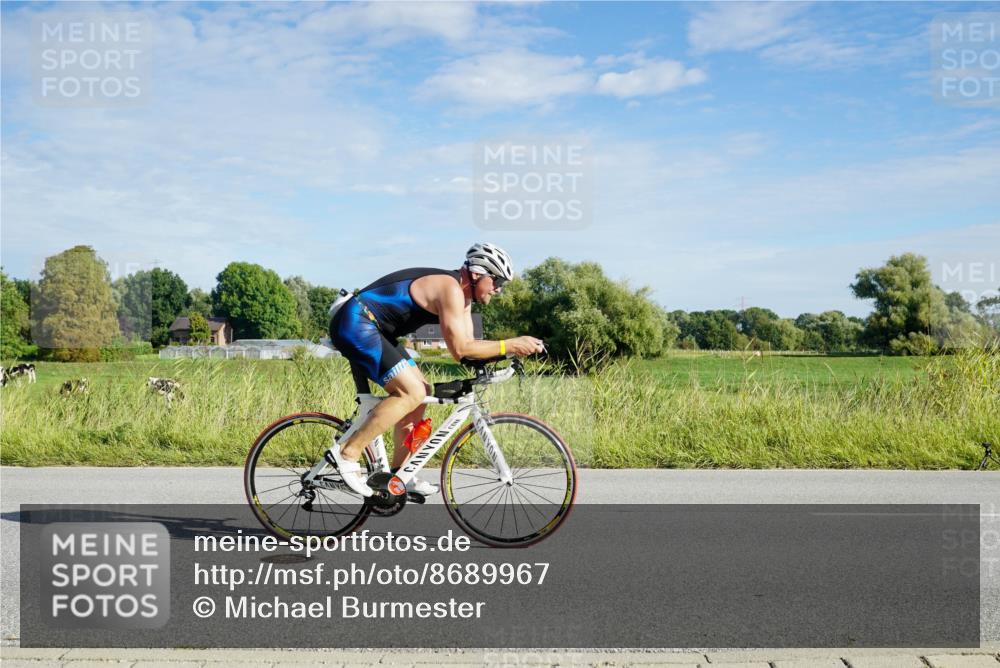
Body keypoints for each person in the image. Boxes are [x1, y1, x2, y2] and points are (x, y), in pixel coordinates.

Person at [328, 243, 545, 498]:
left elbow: (470, 350)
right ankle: (347, 453)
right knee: (411, 392)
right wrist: (510, 343)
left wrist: (507, 353)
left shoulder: (463, 299)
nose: (498, 289)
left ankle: (400, 475)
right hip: (357, 323)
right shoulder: (450, 289)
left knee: (422, 396)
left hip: (376, 329)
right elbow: (462, 349)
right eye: (497, 281)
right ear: (477, 274)